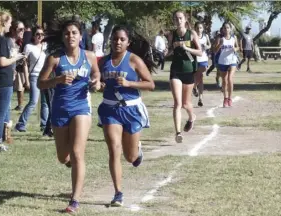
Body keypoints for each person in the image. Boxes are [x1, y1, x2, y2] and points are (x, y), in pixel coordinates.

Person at [38, 19, 101, 213]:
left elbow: (97, 75)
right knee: (62, 156)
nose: (71, 36)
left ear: (81, 36)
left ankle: (74, 201)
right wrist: (56, 79)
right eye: (67, 33)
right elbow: (41, 83)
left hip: (81, 107)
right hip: (60, 109)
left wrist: (96, 83)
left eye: (74, 32)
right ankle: (71, 165)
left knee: (76, 152)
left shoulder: (89, 56)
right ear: (63, 37)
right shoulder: (55, 58)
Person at [97, 24, 155, 207]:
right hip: (110, 110)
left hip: (131, 110)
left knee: (130, 157)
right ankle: (118, 193)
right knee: (114, 149)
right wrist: (98, 85)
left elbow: (150, 84)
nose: (118, 42)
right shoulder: (103, 61)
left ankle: (137, 151)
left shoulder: (134, 60)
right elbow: (98, 81)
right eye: (115, 39)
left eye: (122, 39)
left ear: (128, 42)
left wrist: (130, 83)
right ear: (110, 41)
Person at [167, 10, 202, 143]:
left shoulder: (191, 34)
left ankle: (192, 117)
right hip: (175, 71)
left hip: (188, 71)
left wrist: (186, 48)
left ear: (185, 19)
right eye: (175, 18)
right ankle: (178, 133)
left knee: (186, 104)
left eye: (180, 18)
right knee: (177, 103)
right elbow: (170, 51)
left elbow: (200, 52)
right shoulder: (172, 34)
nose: (178, 21)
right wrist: (167, 51)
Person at [0, 18, 26, 151]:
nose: (10, 25)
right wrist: (16, 58)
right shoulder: (2, 40)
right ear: (2, 23)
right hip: (3, 81)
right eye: (9, 22)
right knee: (0, 113)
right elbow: (2, 62)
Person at [15, 25, 49, 132]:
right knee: (33, 101)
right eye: (37, 34)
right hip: (34, 75)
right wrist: (26, 80)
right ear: (33, 36)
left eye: (42, 34)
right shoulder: (29, 46)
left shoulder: (46, 46)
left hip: (46, 76)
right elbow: (24, 64)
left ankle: (44, 125)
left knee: (45, 102)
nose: (40, 36)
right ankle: (21, 124)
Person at [215, 21, 239, 107]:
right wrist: (220, 45)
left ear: (230, 29)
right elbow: (215, 50)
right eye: (224, 28)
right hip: (222, 61)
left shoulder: (234, 37)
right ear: (222, 29)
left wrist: (235, 49)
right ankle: (225, 99)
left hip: (232, 60)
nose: (226, 29)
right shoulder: (220, 38)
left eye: (228, 28)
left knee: (230, 78)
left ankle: (230, 98)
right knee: (224, 81)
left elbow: (237, 47)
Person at [192, 22, 211, 107]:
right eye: (197, 28)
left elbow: (209, 45)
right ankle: (200, 98)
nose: (199, 30)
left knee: (203, 71)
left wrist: (206, 46)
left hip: (203, 58)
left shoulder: (205, 36)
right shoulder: (192, 36)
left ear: (203, 29)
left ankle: (193, 87)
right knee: (200, 78)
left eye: (200, 28)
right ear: (195, 28)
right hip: (195, 59)